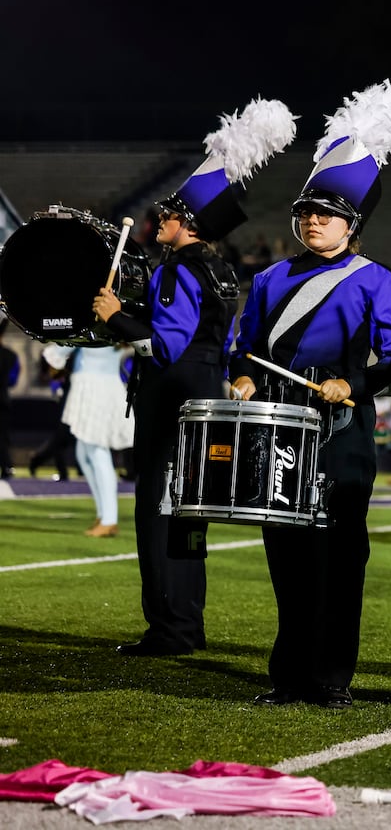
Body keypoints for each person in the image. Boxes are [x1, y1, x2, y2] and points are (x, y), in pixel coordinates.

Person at [230, 80, 391, 708]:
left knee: (340, 557)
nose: (315, 221)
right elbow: (242, 347)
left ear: (351, 222)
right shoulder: (269, 279)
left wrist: (352, 384)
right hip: (277, 428)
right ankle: (288, 675)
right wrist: (243, 376)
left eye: (328, 214)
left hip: (340, 435)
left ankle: (332, 676)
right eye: (308, 212)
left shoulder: (375, 282)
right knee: (286, 555)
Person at [95, 96, 296, 656]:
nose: (161, 218)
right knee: (185, 515)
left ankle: (171, 629)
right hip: (202, 392)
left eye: (170, 212)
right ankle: (186, 623)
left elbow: (165, 343)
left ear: (189, 224)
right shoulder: (221, 269)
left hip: (174, 397)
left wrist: (117, 318)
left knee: (158, 513)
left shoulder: (177, 268)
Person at [41, 341, 134, 537]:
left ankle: (109, 519)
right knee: (83, 455)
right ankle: (103, 514)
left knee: (98, 453)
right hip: (101, 387)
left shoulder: (96, 325)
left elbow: (60, 350)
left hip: (94, 390)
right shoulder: (114, 325)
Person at [0, 319, 16, 479]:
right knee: (3, 436)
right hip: (3, 399)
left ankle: (6, 466)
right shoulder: (10, 355)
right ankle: (6, 466)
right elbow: (13, 380)